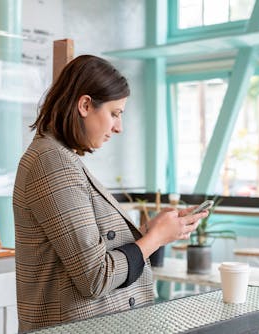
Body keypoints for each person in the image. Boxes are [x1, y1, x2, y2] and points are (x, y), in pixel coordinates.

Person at [13, 55, 208, 332]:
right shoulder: (51, 162)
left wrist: (145, 233)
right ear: (85, 105)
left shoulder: (61, 158)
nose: (119, 127)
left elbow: (90, 252)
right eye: (115, 113)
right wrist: (155, 239)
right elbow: (96, 277)